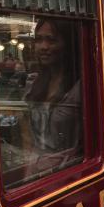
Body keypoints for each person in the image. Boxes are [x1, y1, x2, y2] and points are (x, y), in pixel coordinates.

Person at [24, 18, 82, 175]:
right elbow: (30, 139)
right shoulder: (33, 83)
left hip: (69, 171)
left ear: (67, 44)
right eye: (39, 40)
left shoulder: (80, 87)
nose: (43, 47)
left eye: (51, 40)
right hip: (36, 169)